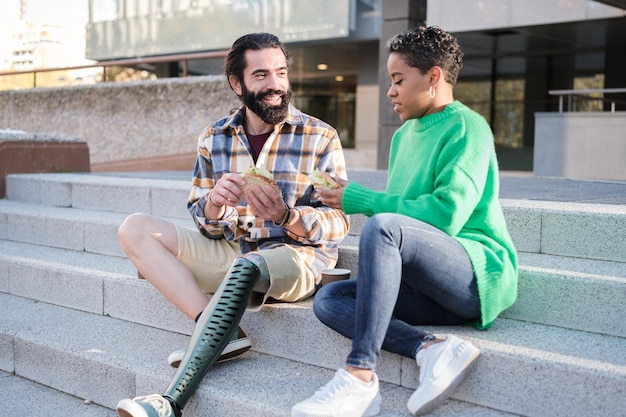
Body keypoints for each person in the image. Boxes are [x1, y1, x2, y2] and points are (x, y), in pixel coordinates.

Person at [115, 32, 349, 417]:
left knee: (250, 265)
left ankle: (170, 401)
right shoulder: (214, 137)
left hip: (297, 257)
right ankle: (223, 331)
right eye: (261, 75)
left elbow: (339, 223)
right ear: (237, 84)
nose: (274, 84)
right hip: (235, 248)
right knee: (135, 228)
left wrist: (285, 216)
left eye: (281, 73)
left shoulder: (320, 136)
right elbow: (204, 220)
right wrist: (215, 205)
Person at [291, 26, 518, 417]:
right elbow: (406, 215)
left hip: (474, 277)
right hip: (425, 284)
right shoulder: (404, 137)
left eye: (398, 80)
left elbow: (446, 215)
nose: (391, 91)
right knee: (331, 299)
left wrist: (361, 199)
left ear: (433, 78)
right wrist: (343, 197)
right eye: (389, 81)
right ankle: (430, 347)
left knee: (384, 225)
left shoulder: (468, 127)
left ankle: (360, 375)